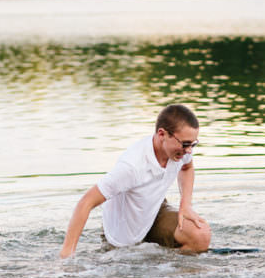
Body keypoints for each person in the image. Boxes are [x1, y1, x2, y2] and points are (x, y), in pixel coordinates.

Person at [60, 104, 211, 259]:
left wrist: (185, 204)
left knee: (201, 234)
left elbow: (186, 168)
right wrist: (66, 256)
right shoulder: (132, 166)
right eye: (185, 144)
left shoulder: (180, 151)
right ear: (162, 134)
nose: (189, 151)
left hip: (154, 211)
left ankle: (167, 267)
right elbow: (86, 202)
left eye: (193, 144)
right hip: (122, 232)